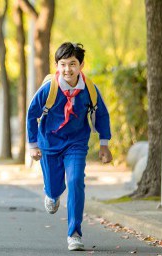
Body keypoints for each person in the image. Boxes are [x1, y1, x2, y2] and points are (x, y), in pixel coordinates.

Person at [26, 42, 112, 251]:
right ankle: (52, 194)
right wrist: (32, 145)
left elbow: (101, 114)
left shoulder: (89, 89)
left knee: (75, 181)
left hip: (76, 143)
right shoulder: (49, 88)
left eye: (72, 64)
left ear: (81, 65)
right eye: (63, 64)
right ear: (57, 65)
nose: (67, 69)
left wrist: (104, 144)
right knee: (55, 187)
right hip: (50, 143)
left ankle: (74, 233)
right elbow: (31, 114)